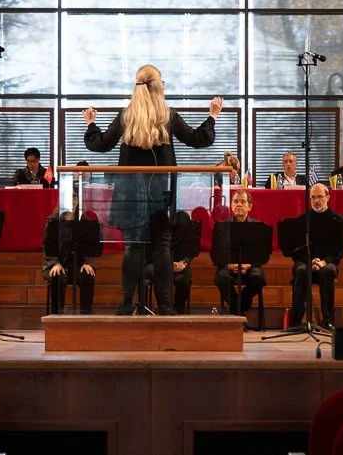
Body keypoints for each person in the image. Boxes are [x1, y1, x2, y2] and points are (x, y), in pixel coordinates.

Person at [83, 63, 223, 316]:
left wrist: (91, 124)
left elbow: (100, 144)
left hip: (130, 197)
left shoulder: (126, 116)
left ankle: (128, 304)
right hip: (162, 195)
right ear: (157, 86)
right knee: (162, 248)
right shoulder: (167, 116)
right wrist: (212, 116)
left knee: (133, 248)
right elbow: (197, 139)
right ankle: (166, 305)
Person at [289, 183, 343, 329]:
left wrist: (323, 262)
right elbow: (296, 250)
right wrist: (310, 262)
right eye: (313, 197)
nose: (316, 201)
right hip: (305, 262)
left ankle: (328, 320)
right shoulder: (303, 219)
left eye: (320, 197)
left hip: (328, 263)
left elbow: (340, 250)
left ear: (328, 197)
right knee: (301, 270)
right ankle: (296, 321)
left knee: (327, 271)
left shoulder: (337, 220)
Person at [214, 190, 268, 315]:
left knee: (259, 278)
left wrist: (249, 265)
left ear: (250, 206)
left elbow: (262, 253)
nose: (239, 204)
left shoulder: (259, 226)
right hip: (229, 266)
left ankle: (238, 308)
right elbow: (217, 252)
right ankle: (240, 312)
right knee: (221, 278)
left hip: (250, 267)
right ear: (231, 205)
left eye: (243, 202)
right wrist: (228, 265)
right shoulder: (222, 226)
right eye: (235, 201)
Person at [42, 196, 96, 314]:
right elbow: (47, 246)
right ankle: (56, 316)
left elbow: (89, 246)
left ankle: (86, 317)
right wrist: (55, 263)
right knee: (57, 275)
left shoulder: (85, 222)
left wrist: (87, 262)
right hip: (55, 263)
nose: (72, 201)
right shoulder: (52, 221)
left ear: (78, 201)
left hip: (78, 264)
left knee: (87, 276)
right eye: (69, 198)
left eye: (74, 197)